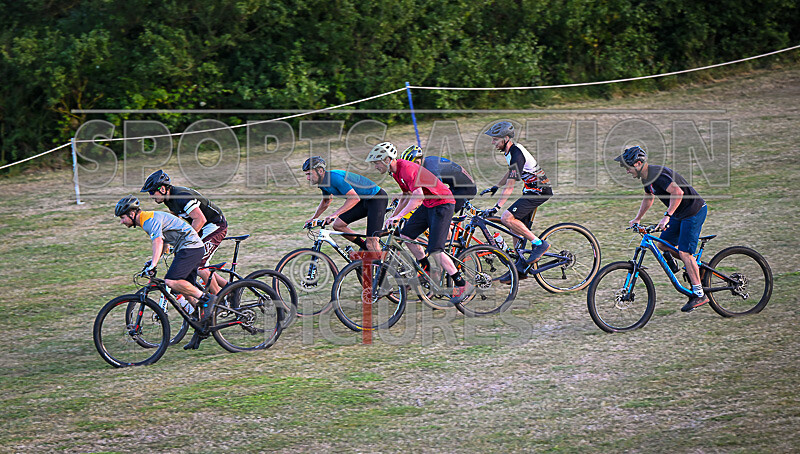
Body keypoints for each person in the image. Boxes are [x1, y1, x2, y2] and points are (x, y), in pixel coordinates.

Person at [366, 142, 467, 300]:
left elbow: (418, 196)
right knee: (406, 235)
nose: (375, 167)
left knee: (436, 250)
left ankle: (462, 284)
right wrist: (394, 216)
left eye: (377, 163)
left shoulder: (406, 169)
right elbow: (407, 195)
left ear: (387, 160)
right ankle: (427, 269)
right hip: (429, 204)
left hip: (443, 203)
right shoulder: (395, 172)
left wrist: (399, 216)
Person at [615, 145, 709, 312]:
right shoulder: (646, 177)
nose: (627, 171)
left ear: (638, 163)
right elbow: (648, 197)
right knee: (663, 245)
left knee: (685, 253)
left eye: (628, 168)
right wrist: (638, 218)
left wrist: (667, 216)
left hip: (693, 211)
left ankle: (699, 294)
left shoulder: (657, 174)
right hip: (679, 213)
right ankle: (695, 267)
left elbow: (677, 193)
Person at [115, 195, 215, 349]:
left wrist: (154, 264)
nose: (122, 222)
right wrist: (152, 262)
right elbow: (164, 244)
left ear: (132, 213)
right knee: (182, 288)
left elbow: (158, 241)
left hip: (191, 247)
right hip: (186, 248)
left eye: (122, 218)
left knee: (171, 281)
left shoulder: (149, 220)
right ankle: (202, 327)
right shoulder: (147, 220)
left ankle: (207, 299)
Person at [481, 121, 552, 281]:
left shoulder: (517, 153)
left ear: (506, 138)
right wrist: (496, 186)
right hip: (530, 190)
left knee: (507, 218)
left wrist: (497, 207)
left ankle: (539, 244)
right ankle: (519, 268)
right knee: (515, 227)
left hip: (539, 191)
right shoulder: (510, 152)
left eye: (495, 139)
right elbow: (510, 173)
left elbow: (511, 185)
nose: (493, 143)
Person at [140, 170, 228, 295]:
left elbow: (200, 219)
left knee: (200, 265)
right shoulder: (169, 200)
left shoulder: (181, 197)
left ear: (162, 189)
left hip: (214, 225)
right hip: (203, 228)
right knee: (195, 264)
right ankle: (229, 288)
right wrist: (166, 246)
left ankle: (219, 299)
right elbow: (174, 224)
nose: (151, 196)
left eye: (152, 192)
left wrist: (185, 239)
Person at [303, 156, 388, 253]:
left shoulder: (334, 178)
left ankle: (380, 260)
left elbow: (354, 198)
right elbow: (326, 201)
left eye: (309, 174)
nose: (308, 178)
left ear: (320, 171)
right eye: (306, 175)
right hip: (364, 200)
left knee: (372, 242)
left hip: (377, 198)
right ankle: (365, 247)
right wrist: (313, 218)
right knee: (338, 225)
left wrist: (335, 214)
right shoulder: (322, 182)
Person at [399, 145, 477, 213]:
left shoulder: (431, 169)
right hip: (456, 186)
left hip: (466, 189)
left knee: (443, 213)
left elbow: (439, 192)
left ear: (417, 162)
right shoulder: (425, 163)